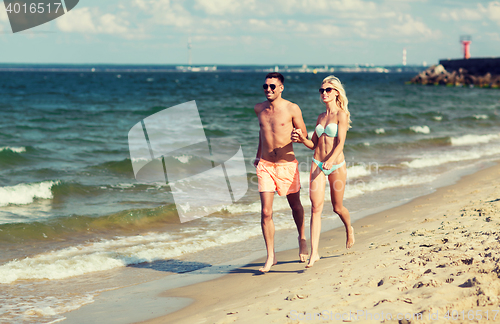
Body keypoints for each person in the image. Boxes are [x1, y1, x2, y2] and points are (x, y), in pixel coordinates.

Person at [292, 75, 354, 268]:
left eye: (328, 90)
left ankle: (349, 228)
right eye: (321, 90)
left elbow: (340, 143)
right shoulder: (320, 117)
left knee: (337, 207)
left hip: (336, 165)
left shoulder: (341, 115)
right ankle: (314, 253)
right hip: (317, 163)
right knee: (315, 208)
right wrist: (302, 139)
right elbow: (313, 145)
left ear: (336, 92)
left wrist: (331, 161)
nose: (324, 93)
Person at [254, 72, 309, 273]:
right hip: (266, 166)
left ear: (281, 88)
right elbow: (262, 133)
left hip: (287, 166)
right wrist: (258, 155)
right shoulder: (259, 109)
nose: (268, 90)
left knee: (295, 206)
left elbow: (304, 133)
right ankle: (271, 256)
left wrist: (299, 136)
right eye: (265, 86)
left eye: (272, 86)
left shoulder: (292, 108)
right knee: (266, 212)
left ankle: (302, 238)